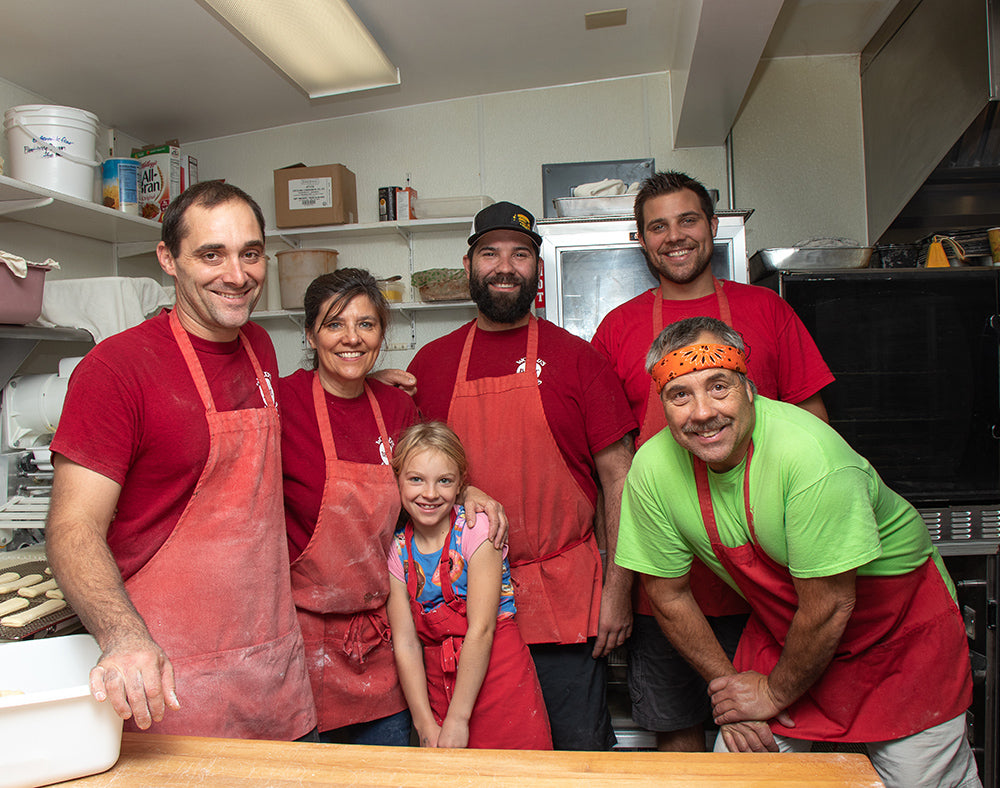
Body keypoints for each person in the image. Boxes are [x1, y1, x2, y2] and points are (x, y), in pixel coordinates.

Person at [616, 315, 981, 788]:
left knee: (921, 781)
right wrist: (734, 695)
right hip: (788, 630)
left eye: (718, 386)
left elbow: (830, 604)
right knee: (737, 773)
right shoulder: (651, 469)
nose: (702, 412)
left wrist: (772, 692)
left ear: (749, 388)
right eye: (679, 394)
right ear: (662, 404)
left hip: (896, 637)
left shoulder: (810, 456)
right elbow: (667, 596)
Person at [46, 181, 316, 739]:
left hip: (272, 670)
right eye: (211, 254)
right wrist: (123, 637)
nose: (237, 275)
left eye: (251, 253)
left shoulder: (259, 346)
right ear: (168, 259)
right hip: (170, 680)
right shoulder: (116, 370)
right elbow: (72, 529)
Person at [591, 170, 834, 751]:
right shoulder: (616, 329)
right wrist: (619, 588)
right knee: (679, 739)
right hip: (665, 587)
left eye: (687, 220)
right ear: (641, 239)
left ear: (713, 226)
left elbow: (817, 430)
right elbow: (614, 472)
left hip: (768, 586)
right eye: (658, 226)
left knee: (770, 741)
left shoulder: (768, 312)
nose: (674, 236)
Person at [407, 201, 638, 750]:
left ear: (537, 270)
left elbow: (621, 481)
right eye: (490, 253)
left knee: (574, 759)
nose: (504, 266)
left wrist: (619, 591)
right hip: (456, 605)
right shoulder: (431, 365)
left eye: (520, 254)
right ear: (468, 266)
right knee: (478, 761)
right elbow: (407, 478)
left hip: (560, 601)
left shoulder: (578, 359)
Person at [281, 268, 508, 745]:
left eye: (366, 324)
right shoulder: (283, 403)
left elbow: (432, 472)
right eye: (334, 324)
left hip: (381, 636)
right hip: (300, 643)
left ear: (382, 335)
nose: (352, 338)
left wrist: (470, 492)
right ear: (309, 333)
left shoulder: (396, 408)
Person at [386, 421, 552, 750]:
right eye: (416, 479)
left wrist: (459, 719)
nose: (430, 493)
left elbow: (482, 629)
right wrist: (424, 723)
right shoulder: (396, 551)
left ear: (461, 482)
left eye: (444, 481)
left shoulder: (477, 531)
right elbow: (405, 644)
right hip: (437, 687)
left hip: (499, 679)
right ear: (398, 481)